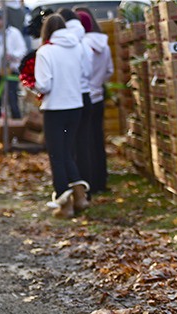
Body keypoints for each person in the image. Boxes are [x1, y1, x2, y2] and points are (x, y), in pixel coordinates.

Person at [34, 13, 88, 219]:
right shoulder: (77, 47)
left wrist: (34, 87)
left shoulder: (45, 52)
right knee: (67, 152)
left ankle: (66, 205)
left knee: (57, 156)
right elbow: (84, 74)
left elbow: (44, 84)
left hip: (55, 108)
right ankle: (80, 197)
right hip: (75, 105)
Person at [75, 7, 114, 195]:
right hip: (98, 95)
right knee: (98, 139)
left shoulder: (80, 45)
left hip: (83, 97)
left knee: (84, 142)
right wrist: (98, 84)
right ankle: (101, 179)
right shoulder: (104, 45)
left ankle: (88, 181)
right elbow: (110, 71)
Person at [58, 8, 93, 211]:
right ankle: (86, 189)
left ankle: (74, 195)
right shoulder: (83, 42)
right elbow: (88, 71)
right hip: (85, 94)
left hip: (68, 98)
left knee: (67, 149)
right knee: (83, 143)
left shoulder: (63, 45)